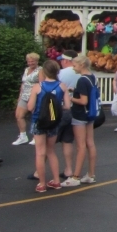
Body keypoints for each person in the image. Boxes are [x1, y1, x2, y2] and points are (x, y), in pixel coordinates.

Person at [28, 60, 70, 192]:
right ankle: (56, 181)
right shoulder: (62, 86)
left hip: (39, 121)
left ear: (44, 71)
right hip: (53, 121)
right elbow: (67, 106)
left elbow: (30, 107)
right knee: (51, 151)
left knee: (40, 153)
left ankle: (42, 183)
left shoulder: (38, 87)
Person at [65, 54, 99, 186]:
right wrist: (75, 91)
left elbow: (83, 100)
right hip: (90, 113)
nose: (73, 67)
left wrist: (70, 98)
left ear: (82, 65)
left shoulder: (82, 80)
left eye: (75, 65)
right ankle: (91, 174)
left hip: (80, 114)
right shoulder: (92, 77)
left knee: (81, 145)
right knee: (90, 142)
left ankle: (76, 176)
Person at [55, 51, 79, 183]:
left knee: (48, 141)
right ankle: (69, 169)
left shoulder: (61, 73)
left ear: (66, 60)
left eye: (62, 60)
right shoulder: (81, 73)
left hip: (60, 108)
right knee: (67, 140)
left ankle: (38, 172)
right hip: (75, 109)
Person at [14, 52, 40, 145]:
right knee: (18, 115)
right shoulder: (26, 70)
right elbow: (23, 83)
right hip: (24, 95)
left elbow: (42, 84)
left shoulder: (40, 70)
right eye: (29, 61)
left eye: (32, 61)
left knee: (35, 116)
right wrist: (20, 96)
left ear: (37, 61)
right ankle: (23, 136)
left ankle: (36, 136)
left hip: (34, 96)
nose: (30, 63)